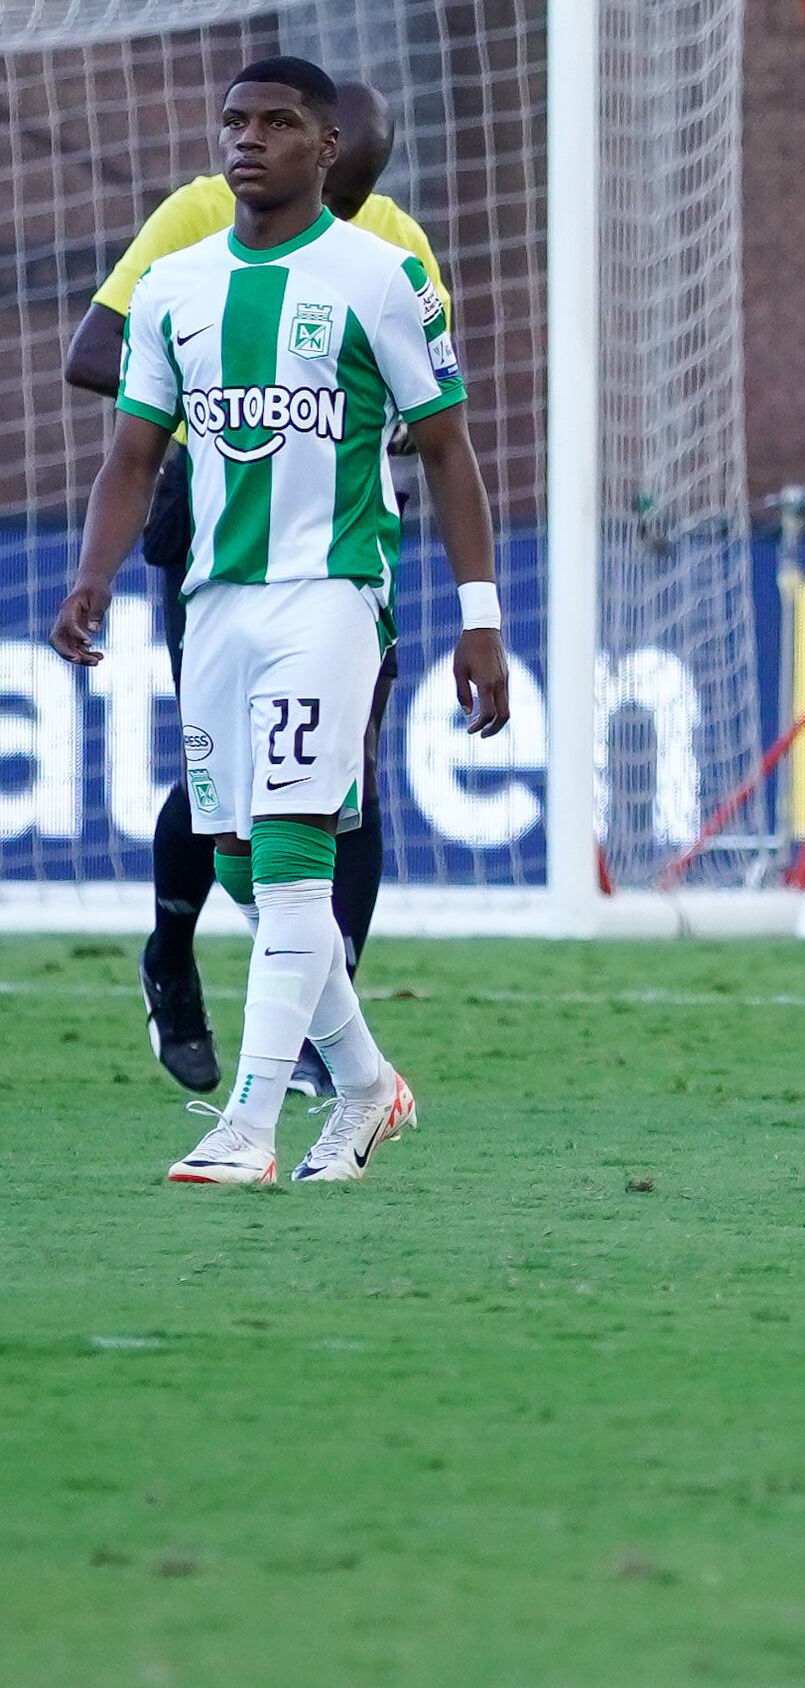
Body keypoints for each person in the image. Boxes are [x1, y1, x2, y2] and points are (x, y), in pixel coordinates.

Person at [55, 57, 495, 1185]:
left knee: (298, 853)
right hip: (215, 598)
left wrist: (479, 619)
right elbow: (132, 451)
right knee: (247, 862)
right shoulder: (175, 284)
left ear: (325, 149)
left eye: (279, 123)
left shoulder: (386, 273)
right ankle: (364, 1084)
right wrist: (93, 576)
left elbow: (444, 443)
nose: (249, 139)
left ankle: (247, 1124)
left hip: (333, 592)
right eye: (237, 121)